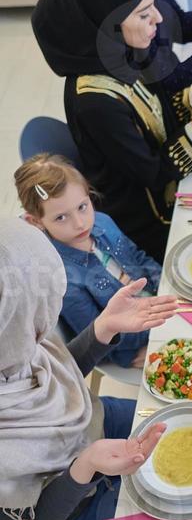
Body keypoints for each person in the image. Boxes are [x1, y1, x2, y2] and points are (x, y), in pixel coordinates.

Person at [31, 0, 192, 262]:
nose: (156, 19)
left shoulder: (117, 52)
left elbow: (158, 107)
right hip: (145, 221)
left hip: (164, 181)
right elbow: (153, 174)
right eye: (143, 13)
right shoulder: (95, 101)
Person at [0, 218, 174, 520]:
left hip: (91, 429)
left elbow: (53, 376)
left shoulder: (10, 339)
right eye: (37, 312)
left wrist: (102, 328)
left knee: (186, 425)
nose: (45, 325)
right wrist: (86, 465)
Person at [15, 153, 162, 369]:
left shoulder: (102, 221)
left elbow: (138, 257)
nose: (80, 223)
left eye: (82, 206)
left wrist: (167, 287)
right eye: (61, 218)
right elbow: (98, 333)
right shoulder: (63, 278)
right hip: (132, 341)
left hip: (157, 307)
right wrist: (161, 326)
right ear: (35, 221)